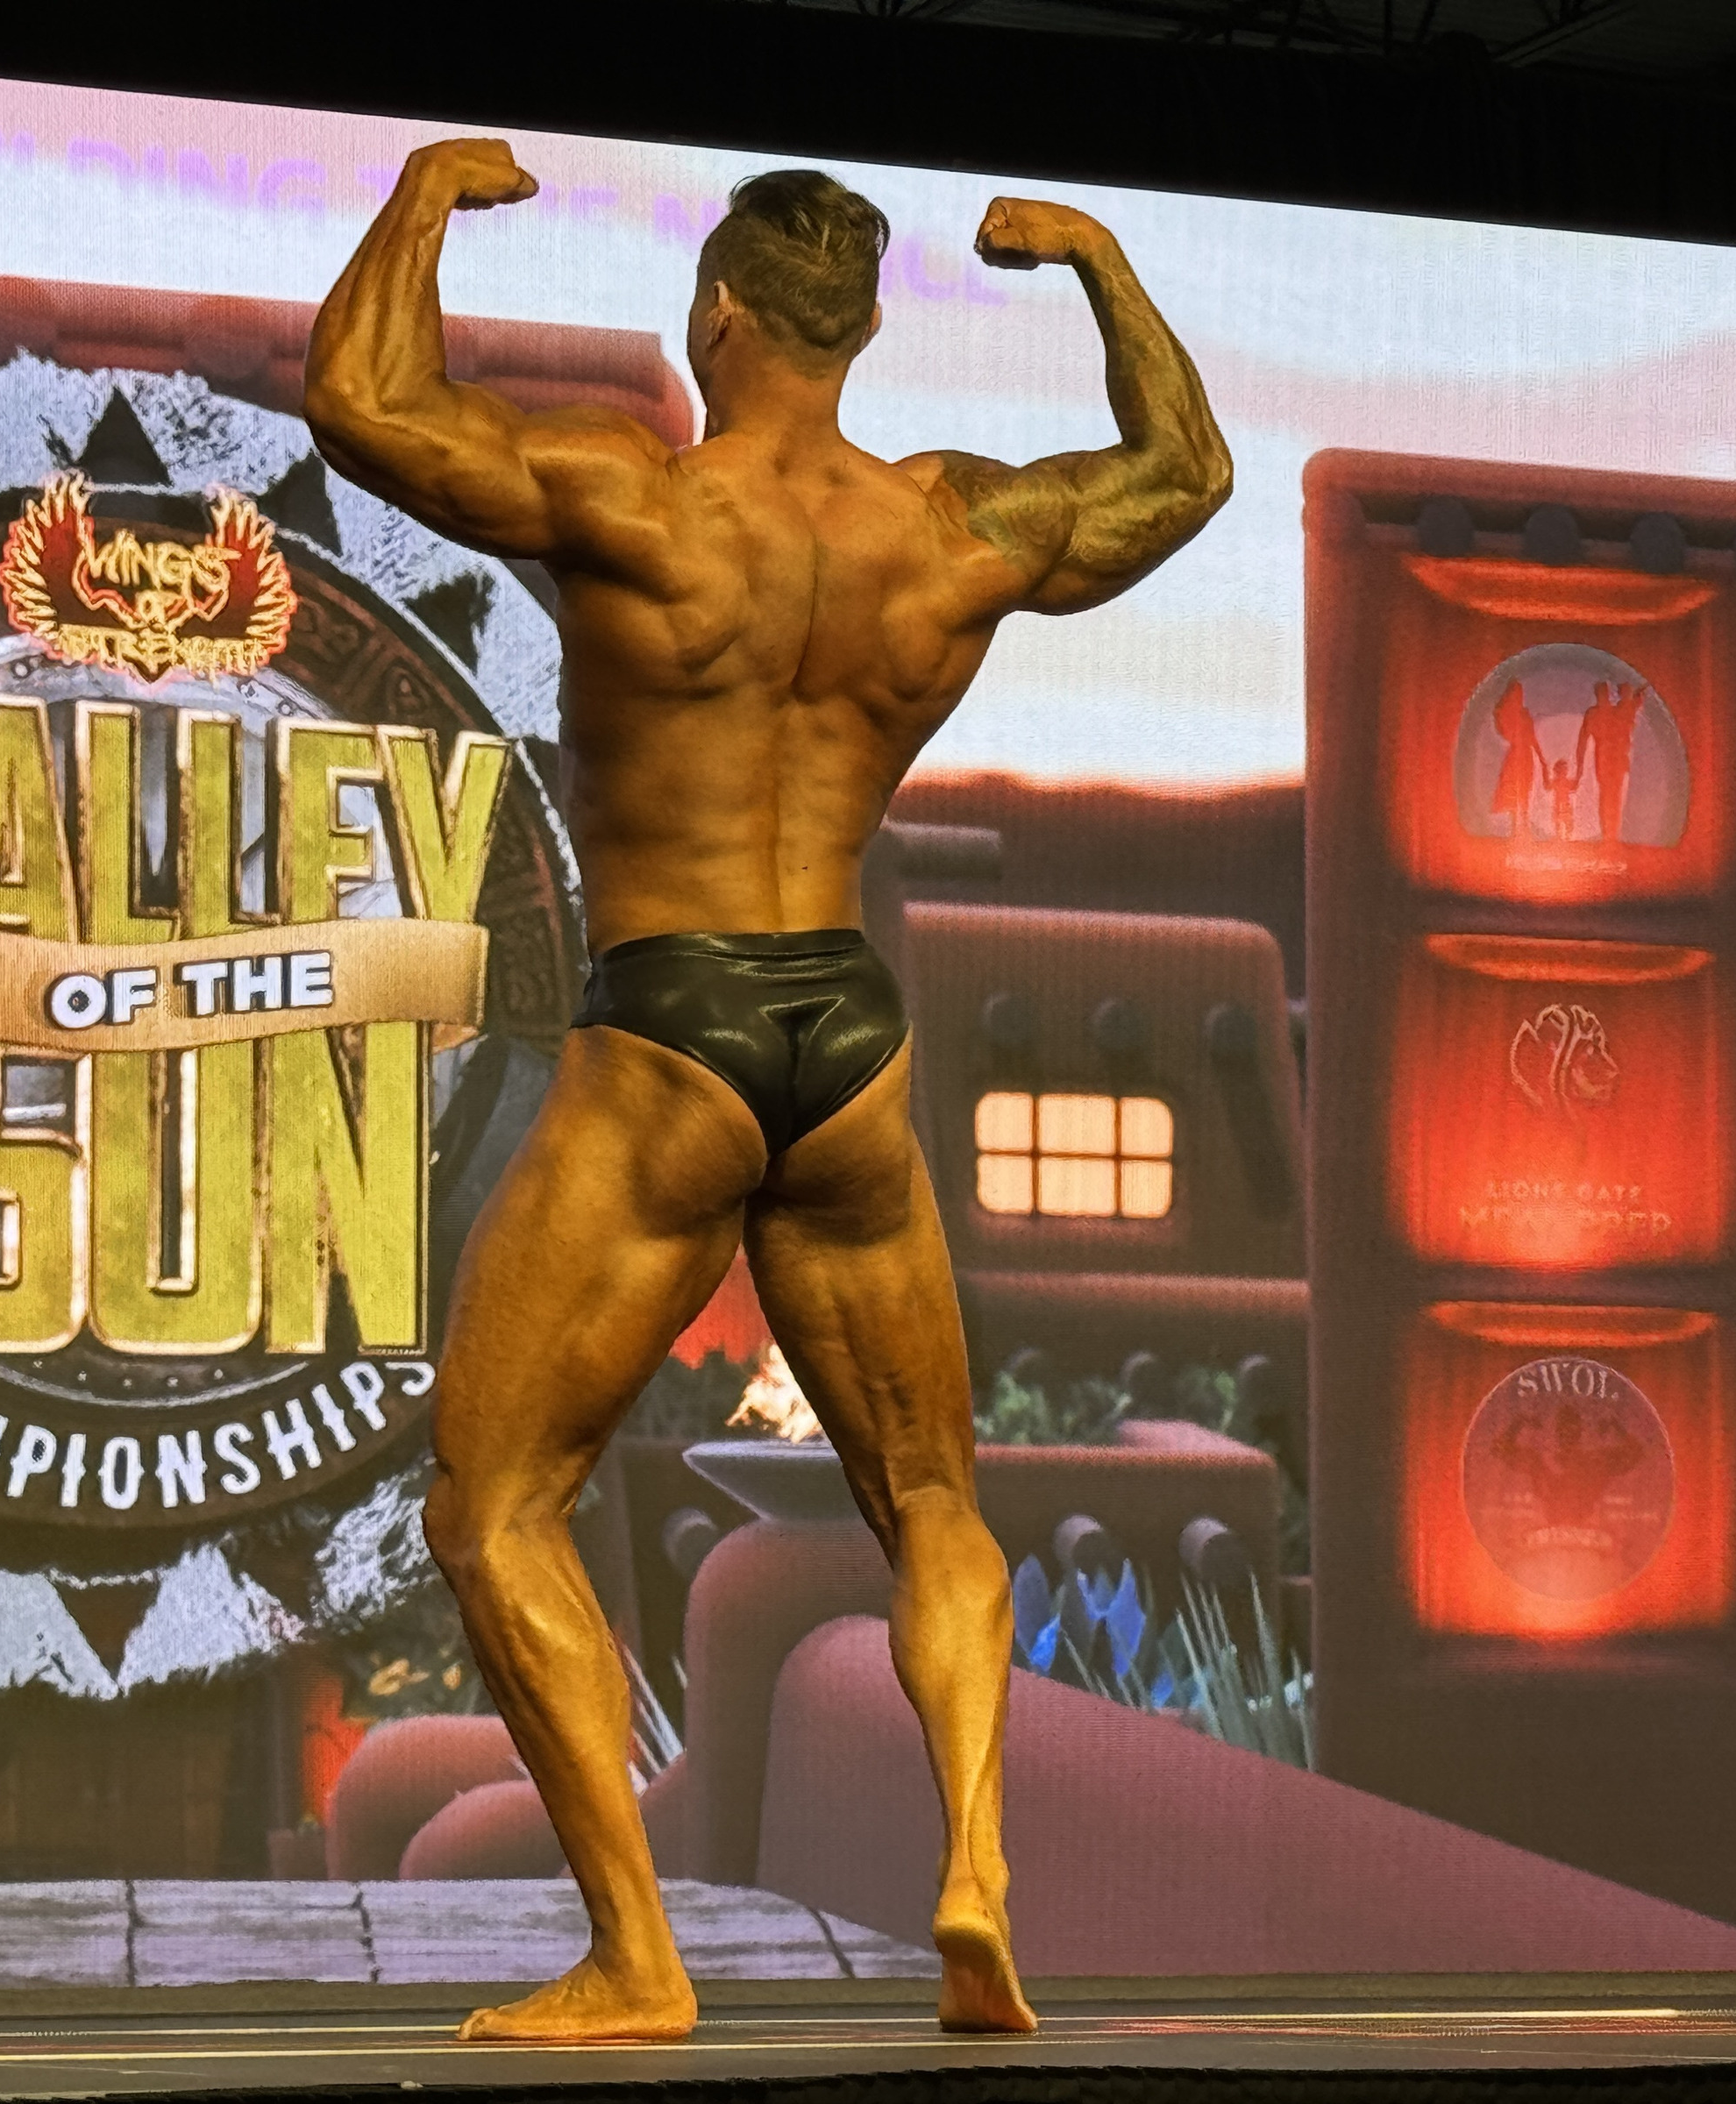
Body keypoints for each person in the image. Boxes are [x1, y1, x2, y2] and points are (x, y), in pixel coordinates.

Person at [305, 139, 1231, 2044]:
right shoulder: (947, 530)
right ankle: (974, 1871)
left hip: (674, 1027)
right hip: (847, 1038)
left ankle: (638, 1961)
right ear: (862, 331)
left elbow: (369, 404)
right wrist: (1097, 258)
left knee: (496, 1504)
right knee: (931, 1494)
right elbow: (1183, 474)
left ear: (716, 315)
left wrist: (423, 197)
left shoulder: (638, 496)